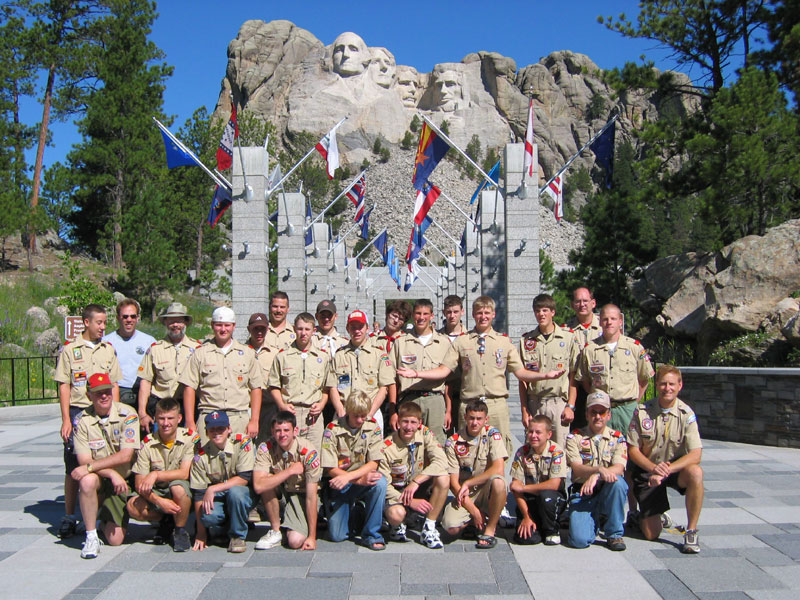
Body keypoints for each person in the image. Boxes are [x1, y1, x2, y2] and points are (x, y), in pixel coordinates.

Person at [397, 295, 564, 456]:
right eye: (479, 313)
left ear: (493, 314)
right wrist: (417, 373)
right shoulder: (462, 341)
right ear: (472, 314)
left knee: (499, 453)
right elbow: (444, 370)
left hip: (496, 405)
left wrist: (544, 376)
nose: (483, 317)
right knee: (466, 453)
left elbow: (521, 373)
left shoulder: (503, 341)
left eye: (486, 313)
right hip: (470, 405)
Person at [54, 303, 122, 539]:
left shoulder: (108, 349)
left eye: (105, 322)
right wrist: (66, 420)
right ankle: (69, 515)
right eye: (99, 322)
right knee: (73, 464)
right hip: (79, 411)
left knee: (101, 461)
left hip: (103, 411)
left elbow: (114, 384)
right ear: (86, 322)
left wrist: (116, 413)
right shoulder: (70, 350)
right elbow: (64, 385)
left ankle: (94, 515)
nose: (103, 327)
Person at [627, 365, 704, 554]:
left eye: (671, 384)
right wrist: (653, 469)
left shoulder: (686, 414)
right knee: (651, 534)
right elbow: (633, 450)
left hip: (674, 469)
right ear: (656, 385)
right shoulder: (642, 411)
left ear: (680, 386)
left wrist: (666, 470)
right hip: (648, 470)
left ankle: (691, 531)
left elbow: (696, 454)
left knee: (696, 472)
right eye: (663, 384)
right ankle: (649, 516)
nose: (667, 388)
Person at [71, 373, 139, 558]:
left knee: (115, 540)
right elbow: (84, 462)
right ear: (89, 395)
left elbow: (126, 455)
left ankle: (99, 518)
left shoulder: (128, 414)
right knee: (87, 481)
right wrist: (110, 473)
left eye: (107, 391)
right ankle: (91, 536)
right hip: (102, 478)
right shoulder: (82, 420)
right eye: (98, 393)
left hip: (125, 479)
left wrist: (112, 473)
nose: (104, 396)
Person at [180, 307, 263, 445]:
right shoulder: (200, 353)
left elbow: (256, 388)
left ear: (234, 326)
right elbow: (189, 387)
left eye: (227, 325)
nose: (223, 329)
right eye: (219, 325)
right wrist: (189, 421)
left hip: (238, 419)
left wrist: (254, 420)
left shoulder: (247, 353)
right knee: (206, 457)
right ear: (212, 325)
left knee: (240, 457)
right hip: (209, 417)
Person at [126, 398, 196, 552]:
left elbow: (184, 473)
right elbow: (139, 483)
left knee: (178, 488)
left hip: (181, 489)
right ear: (155, 419)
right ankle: (166, 519)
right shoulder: (147, 443)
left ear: (179, 418)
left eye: (170, 418)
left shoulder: (189, 438)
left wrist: (156, 474)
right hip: (157, 492)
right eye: (161, 418)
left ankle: (180, 530)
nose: (165, 423)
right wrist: (159, 502)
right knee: (132, 506)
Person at [320, 391, 387, 550]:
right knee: (338, 536)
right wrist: (354, 479)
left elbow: (374, 463)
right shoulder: (332, 429)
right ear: (348, 411)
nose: (359, 420)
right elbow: (330, 468)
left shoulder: (372, 427)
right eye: (356, 416)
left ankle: (372, 534)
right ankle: (356, 512)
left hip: (359, 479)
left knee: (380, 482)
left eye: (363, 416)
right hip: (340, 484)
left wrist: (353, 478)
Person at [573, 304, 654, 433]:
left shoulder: (634, 347)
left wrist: (633, 401)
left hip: (627, 409)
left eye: (613, 319)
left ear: (620, 321)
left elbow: (644, 379)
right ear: (600, 322)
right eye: (605, 319)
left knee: (630, 443)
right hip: (600, 411)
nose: (609, 322)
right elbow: (585, 381)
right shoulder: (590, 349)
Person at [379, 401, 449, 549]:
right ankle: (397, 523)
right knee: (396, 514)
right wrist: (410, 502)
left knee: (443, 477)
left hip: (418, 487)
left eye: (413, 422)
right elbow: (384, 485)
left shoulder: (424, 434)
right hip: (397, 493)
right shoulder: (387, 447)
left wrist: (416, 481)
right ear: (398, 421)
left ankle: (429, 527)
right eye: (405, 421)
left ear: (419, 423)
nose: (409, 427)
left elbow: (442, 460)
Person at [566, 391, 628, 551]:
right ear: (586, 414)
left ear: (609, 415)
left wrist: (597, 476)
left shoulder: (618, 438)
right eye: (593, 412)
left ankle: (614, 533)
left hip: (607, 489)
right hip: (583, 493)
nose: (598, 417)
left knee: (618, 483)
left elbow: (619, 468)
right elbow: (577, 469)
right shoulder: (575, 437)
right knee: (579, 541)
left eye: (602, 412)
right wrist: (599, 469)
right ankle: (595, 517)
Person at [441, 400, 507, 549]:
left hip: (486, 491)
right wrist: (474, 511)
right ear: (465, 417)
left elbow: (498, 468)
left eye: (479, 419)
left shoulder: (492, 435)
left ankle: (490, 529)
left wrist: (469, 482)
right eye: (471, 418)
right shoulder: (453, 442)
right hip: (466, 494)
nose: (475, 423)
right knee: (450, 526)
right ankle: (474, 520)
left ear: (486, 419)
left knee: (499, 482)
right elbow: (454, 483)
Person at [518, 294, 581, 448]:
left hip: (558, 403)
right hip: (535, 403)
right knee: (533, 451)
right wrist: (524, 410)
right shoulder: (526, 341)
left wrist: (570, 406)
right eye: (537, 311)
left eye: (545, 310)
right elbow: (522, 380)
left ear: (553, 312)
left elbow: (573, 376)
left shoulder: (568, 338)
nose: (541, 314)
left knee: (560, 451)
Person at [253, 411, 321, 551]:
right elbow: (258, 485)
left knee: (295, 541)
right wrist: (289, 471)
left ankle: (290, 528)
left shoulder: (308, 452)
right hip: (281, 492)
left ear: (295, 431)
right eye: (278, 431)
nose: (282, 434)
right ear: (272, 432)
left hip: (301, 495)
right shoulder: (266, 448)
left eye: (286, 430)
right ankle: (276, 530)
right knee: (266, 482)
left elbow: (311, 496)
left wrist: (312, 537)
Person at [190, 411, 256, 553]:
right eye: (212, 430)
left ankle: (237, 536)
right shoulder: (201, 457)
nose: (217, 433)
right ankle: (225, 525)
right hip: (220, 497)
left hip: (243, 494)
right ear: (206, 433)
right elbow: (199, 495)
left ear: (229, 429)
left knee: (236, 493)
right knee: (208, 517)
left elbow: (244, 478)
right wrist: (201, 533)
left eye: (221, 428)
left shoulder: (242, 443)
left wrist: (213, 488)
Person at [391, 299, 452, 442]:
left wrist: (448, 410)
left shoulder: (444, 342)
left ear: (432, 316)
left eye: (425, 314)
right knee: (407, 442)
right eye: (418, 313)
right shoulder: (400, 342)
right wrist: (393, 411)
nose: (421, 317)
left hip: (435, 400)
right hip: (409, 399)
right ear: (413, 315)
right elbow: (392, 380)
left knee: (436, 444)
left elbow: (449, 381)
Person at [268, 313, 331, 450]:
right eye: (300, 329)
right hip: (289, 414)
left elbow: (326, 388)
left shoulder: (323, 357)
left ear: (314, 331)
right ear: (294, 329)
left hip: (313, 417)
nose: (303, 333)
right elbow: (274, 386)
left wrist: (321, 404)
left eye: (307, 329)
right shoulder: (282, 356)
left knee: (314, 455)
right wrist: (282, 405)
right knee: (288, 455)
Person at [327, 310, 395, 432]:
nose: (357, 331)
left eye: (360, 327)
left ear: (367, 328)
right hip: (344, 413)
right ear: (347, 329)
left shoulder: (379, 354)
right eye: (353, 327)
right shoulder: (339, 355)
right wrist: (340, 411)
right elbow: (332, 386)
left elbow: (384, 388)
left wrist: (370, 413)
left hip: (371, 413)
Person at [136, 302, 197, 432]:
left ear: (185, 323)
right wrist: (142, 413)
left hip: (188, 409)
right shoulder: (155, 349)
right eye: (171, 321)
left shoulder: (197, 348)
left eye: (179, 321)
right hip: (162, 409)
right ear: (165, 323)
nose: (175, 325)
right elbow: (146, 381)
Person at [103, 298, 155, 408]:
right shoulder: (106, 342)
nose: (129, 320)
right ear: (118, 318)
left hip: (143, 391)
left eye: (133, 316)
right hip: (117, 391)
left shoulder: (149, 341)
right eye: (125, 316)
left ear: (138, 318)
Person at [566, 287, 602, 430]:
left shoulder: (604, 326)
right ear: (572, 304)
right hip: (575, 388)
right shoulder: (566, 330)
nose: (582, 304)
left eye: (585, 301)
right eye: (578, 301)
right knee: (578, 432)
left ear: (593, 303)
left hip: (598, 387)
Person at [245, 312, 279, 443]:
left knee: (265, 445)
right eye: (256, 329)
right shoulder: (240, 352)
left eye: (262, 329)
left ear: (268, 329)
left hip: (268, 408)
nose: (259, 333)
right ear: (249, 329)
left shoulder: (275, 354)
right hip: (246, 407)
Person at [439, 295, 465, 433]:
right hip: (443, 395)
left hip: (464, 393)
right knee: (445, 436)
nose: (452, 316)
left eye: (456, 312)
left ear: (462, 311)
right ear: (444, 313)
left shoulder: (470, 337)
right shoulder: (436, 337)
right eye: (449, 312)